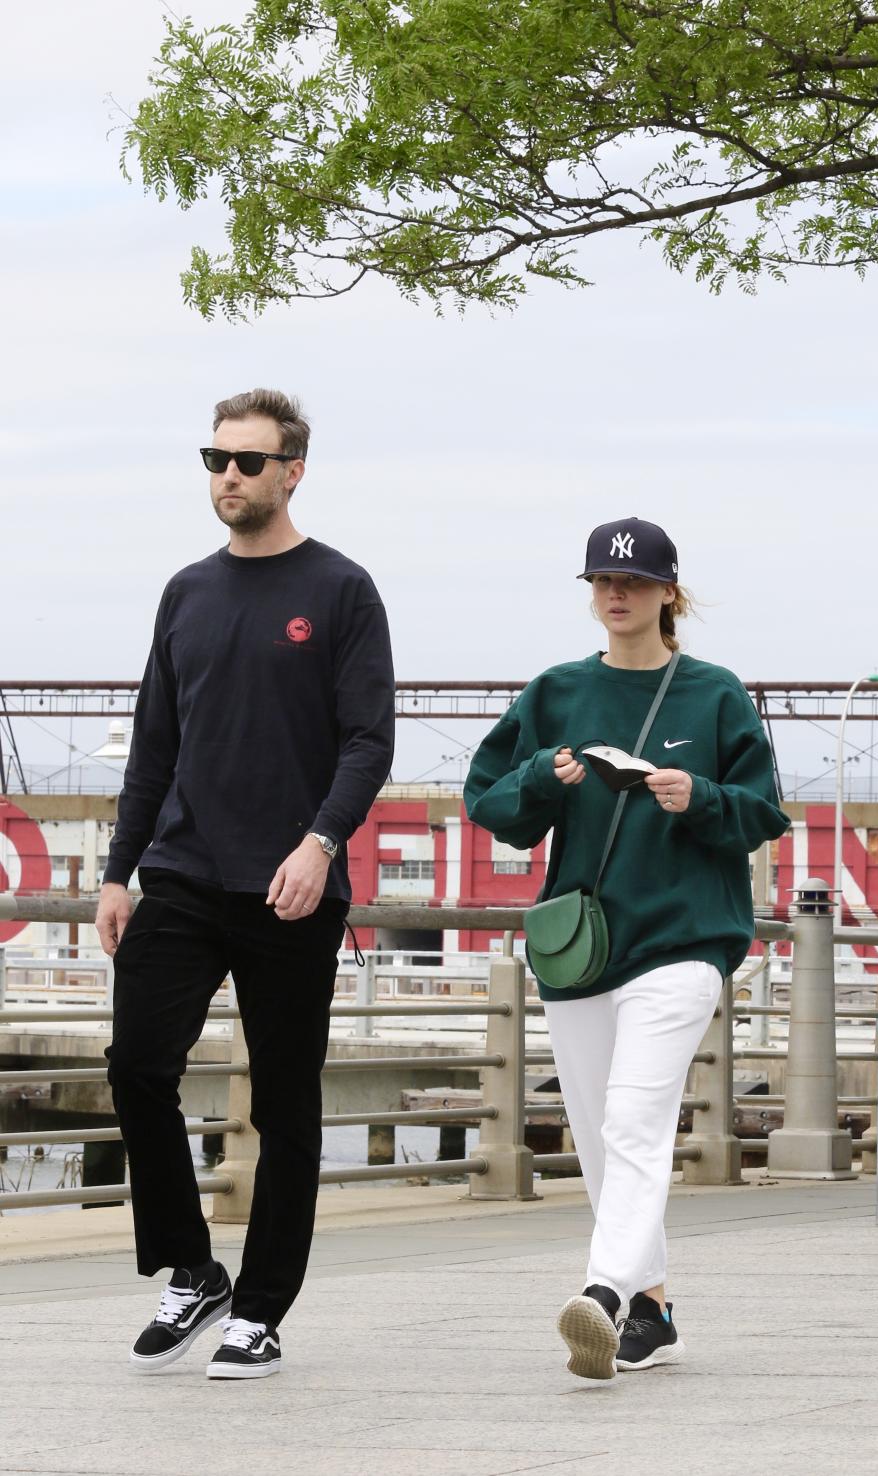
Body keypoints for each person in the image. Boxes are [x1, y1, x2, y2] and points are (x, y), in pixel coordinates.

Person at [96, 388, 394, 1380]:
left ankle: (261, 1309)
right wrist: (114, 873)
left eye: (249, 461)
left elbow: (367, 742)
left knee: (286, 1105)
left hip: (290, 887)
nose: (229, 475)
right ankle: (192, 1268)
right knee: (138, 1062)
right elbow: (153, 747)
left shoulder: (342, 590)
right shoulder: (186, 592)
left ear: (292, 471)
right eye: (215, 458)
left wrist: (320, 843)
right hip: (180, 874)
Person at [464, 517, 789, 1380]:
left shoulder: (715, 695)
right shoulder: (556, 692)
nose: (616, 595)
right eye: (603, 583)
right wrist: (541, 778)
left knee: (636, 1118)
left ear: (667, 593)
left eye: (635, 583)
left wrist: (703, 796)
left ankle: (602, 1294)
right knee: (602, 1136)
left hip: (684, 943)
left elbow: (764, 812)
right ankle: (652, 1310)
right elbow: (489, 806)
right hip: (583, 949)